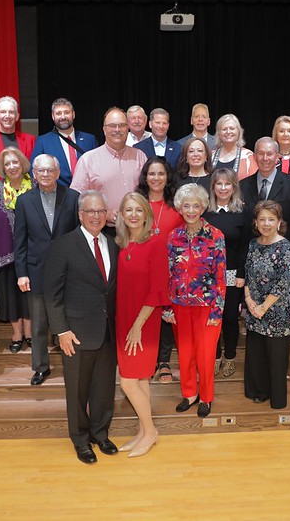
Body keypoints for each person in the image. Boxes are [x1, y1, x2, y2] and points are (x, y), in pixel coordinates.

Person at [43, 191, 119, 465]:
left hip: (107, 331)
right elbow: (51, 294)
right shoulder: (64, 245)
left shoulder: (113, 245)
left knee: (103, 389)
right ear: (80, 214)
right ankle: (80, 439)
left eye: (100, 211)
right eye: (90, 211)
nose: (96, 216)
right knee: (77, 391)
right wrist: (61, 330)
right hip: (74, 333)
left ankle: (101, 434)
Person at [14, 154, 80, 386]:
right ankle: (41, 367)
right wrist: (21, 273)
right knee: (39, 324)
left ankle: (73, 365)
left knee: (69, 322)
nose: (45, 174)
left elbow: (78, 237)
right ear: (34, 173)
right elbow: (20, 240)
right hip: (36, 272)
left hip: (68, 273)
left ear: (58, 171)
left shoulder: (73, 198)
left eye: (49, 170)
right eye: (40, 171)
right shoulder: (24, 201)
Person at [114, 192, 169, 457]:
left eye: (138, 210)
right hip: (124, 318)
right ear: (122, 215)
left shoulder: (155, 243)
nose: (133, 215)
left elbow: (159, 290)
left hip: (143, 322)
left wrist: (137, 325)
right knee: (141, 378)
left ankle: (151, 432)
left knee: (127, 382)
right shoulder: (123, 243)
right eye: (128, 210)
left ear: (146, 214)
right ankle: (144, 431)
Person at [166, 184, 226, 418]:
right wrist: (168, 307)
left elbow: (220, 275)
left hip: (207, 305)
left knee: (206, 353)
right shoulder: (173, 236)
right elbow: (168, 273)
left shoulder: (215, 236)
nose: (191, 210)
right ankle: (189, 393)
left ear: (203, 207)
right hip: (179, 304)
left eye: (196, 205)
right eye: (186, 205)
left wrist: (217, 311)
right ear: (180, 208)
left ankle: (206, 397)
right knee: (185, 353)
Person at [243, 200, 290, 409]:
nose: (266, 223)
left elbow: (284, 282)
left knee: (275, 357)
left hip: (277, 311)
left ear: (279, 222)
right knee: (256, 354)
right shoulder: (253, 243)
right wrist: (249, 301)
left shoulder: (285, 246)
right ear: (256, 222)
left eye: (271, 219)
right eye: (262, 219)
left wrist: (264, 307)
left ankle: (276, 398)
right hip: (254, 308)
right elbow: (247, 273)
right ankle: (259, 391)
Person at [135, 157, 184, 383]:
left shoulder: (177, 206)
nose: (156, 178)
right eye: (152, 174)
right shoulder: (137, 203)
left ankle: (163, 361)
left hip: (169, 270)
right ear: (145, 177)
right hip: (140, 268)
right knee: (144, 311)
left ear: (168, 177)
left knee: (165, 314)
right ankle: (145, 357)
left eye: (161, 174)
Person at [0, 148, 32, 354]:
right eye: (7, 164)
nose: (12, 167)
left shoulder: (35, 187)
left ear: (22, 164)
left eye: (15, 162)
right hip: (4, 255)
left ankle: (29, 334)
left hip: (31, 254)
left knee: (29, 296)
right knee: (10, 296)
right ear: (3, 168)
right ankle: (16, 335)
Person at [70, 107, 147, 234]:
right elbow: (77, 199)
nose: (117, 130)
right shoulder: (88, 160)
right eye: (112, 126)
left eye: (121, 125)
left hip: (136, 231)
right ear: (104, 129)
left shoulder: (140, 156)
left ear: (127, 128)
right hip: (104, 231)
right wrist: (103, 213)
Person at [203, 169, 249, 378]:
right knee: (212, 319)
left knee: (230, 317)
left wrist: (241, 273)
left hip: (232, 274)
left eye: (227, 184)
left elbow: (245, 247)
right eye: (219, 184)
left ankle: (229, 357)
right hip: (208, 276)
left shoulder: (242, 213)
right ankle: (214, 357)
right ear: (213, 187)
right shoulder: (205, 213)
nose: (223, 188)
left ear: (233, 187)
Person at [240, 137, 290, 270]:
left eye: (269, 154)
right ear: (254, 156)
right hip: (251, 261)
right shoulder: (242, 186)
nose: (265, 158)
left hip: (283, 260)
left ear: (277, 157)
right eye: (260, 153)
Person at [30, 97, 98, 187]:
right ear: (53, 117)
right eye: (58, 113)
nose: (63, 117)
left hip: (86, 195)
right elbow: (34, 171)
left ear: (73, 114)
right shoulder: (43, 141)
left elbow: (98, 169)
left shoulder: (89, 140)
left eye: (66, 112)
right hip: (58, 196)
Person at [211, 114, 257, 180]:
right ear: (219, 133)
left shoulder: (248, 157)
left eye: (232, 128)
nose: (228, 132)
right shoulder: (211, 156)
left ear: (239, 132)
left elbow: (254, 183)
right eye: (224, 129)